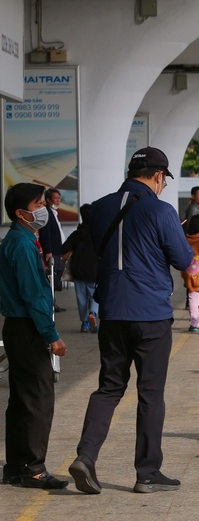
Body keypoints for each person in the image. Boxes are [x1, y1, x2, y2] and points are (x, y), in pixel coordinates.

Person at [68, 146, 193, 495]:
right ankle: (148, 472)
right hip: (151, 314)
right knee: (150, 394)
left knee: (109, 387)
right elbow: (183, 259)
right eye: (164, 180)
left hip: (111, 311)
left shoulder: (100, 208)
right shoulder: (162, 209)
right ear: (157, 176)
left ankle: (86, 456)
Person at [0, 183, 68, 490]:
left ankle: (16, 466)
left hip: (16, 328)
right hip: (27, 329)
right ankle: (33, 467)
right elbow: (34, 295)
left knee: (21, 399)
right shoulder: (23, 245)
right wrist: (52, 335)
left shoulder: (16, 240)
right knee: (39, 399)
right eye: (38, 203)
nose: (43, 208)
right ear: (20, 213)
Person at [61, 203, 100, 333]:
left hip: (78, 269)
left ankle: (84, 324)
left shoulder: (77, 234)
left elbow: (64, 248)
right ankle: (93, 313)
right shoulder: (98, 233)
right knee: (94, 295)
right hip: (94, 270)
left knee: (81, 297)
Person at [39, 187, 65, 308]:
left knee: (55, 278)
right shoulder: (47, 213)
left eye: (59, 198)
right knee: (51, 279)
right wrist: (48, 251)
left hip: (58, 251)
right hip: (52, 252)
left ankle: (53, 303)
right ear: (48, 200)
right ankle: (51, 304)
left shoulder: (54, 213)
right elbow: (46, 234)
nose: (58, 201)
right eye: (55, 198)